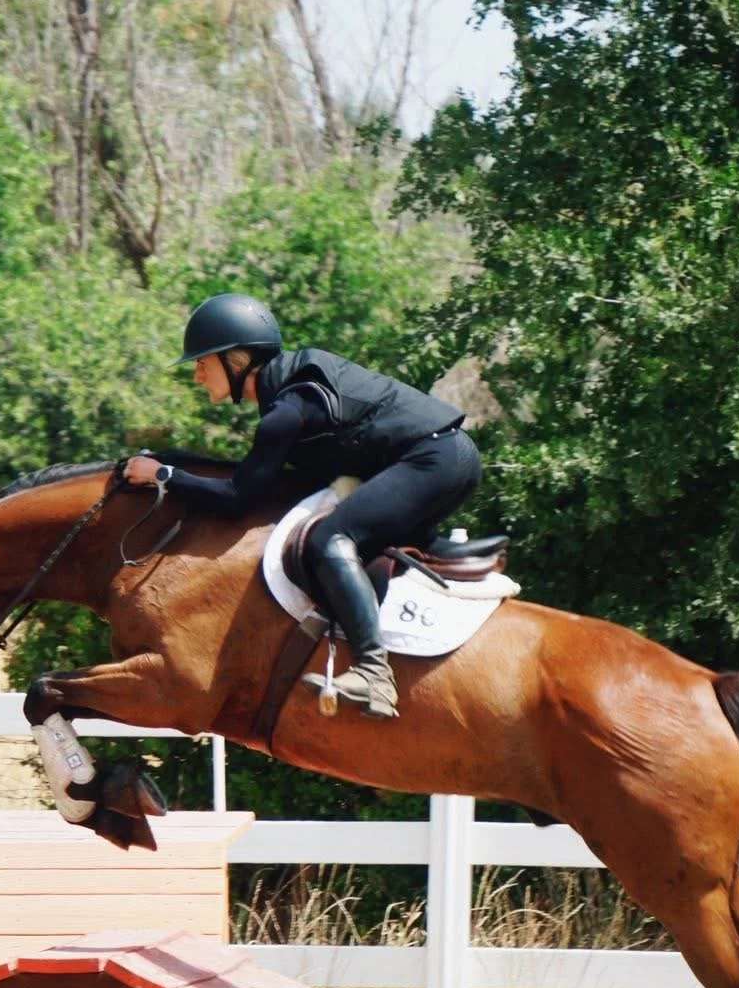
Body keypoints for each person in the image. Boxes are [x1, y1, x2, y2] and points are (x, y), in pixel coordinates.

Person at [122, 294, 480, 720]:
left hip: (433, 461)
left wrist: (163, 476)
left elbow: (238, 499)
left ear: (236, 361)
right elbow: (259, 478)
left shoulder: (287, 411)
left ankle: (372, 672)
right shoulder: (292, 393)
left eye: (203, 362)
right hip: (446, 457)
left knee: (330, 539)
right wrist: (176, 460)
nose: (197, 376)